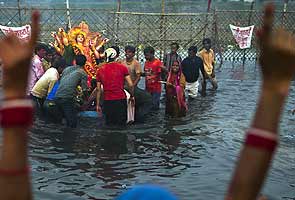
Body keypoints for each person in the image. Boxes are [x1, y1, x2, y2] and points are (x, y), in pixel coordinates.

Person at [0, 4, 294, 200]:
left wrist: (14, 99)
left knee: (115, 129)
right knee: (119, 130)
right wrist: (275, 88)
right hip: (129, 97)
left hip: (138, 95)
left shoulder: (119, 67)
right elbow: (120, 85)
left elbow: (109, 87)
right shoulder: (113, 67)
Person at [96, 47, 135, 126]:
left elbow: (98, 89)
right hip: (120, 99)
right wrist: (132, 96)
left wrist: (97, 104)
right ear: (115, 56)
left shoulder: (100, 70)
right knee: (121, 124)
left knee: (109, 124)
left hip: (107, 100)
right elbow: (131, 85)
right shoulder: (122, 67)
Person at [55, 54, 88, 128]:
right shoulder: (83, 73)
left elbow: (62, 82)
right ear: (85, 63)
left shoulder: (67, 69)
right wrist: (86, 100)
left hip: (57, 97)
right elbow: (85, 89)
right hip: (67, 98)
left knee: (62, 122)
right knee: (72, 123)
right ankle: (70, 138)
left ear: (75, 61)